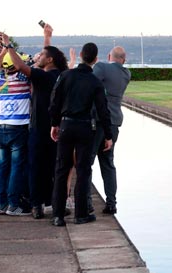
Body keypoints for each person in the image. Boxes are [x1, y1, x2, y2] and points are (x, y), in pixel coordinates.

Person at [4, 23, 68, 219]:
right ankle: (53, 203)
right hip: (58, 128)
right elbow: (45, 57)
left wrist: (9, 46)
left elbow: (22, 66)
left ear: (49, 60)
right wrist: (47, 38)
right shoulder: (62, 76)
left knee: (35, 167)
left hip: (40, 128)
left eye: (41, 55)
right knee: (54, 168)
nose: (37, 57)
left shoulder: (42, 76)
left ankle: (36, 205)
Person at [49, 42, 113, 227]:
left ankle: (58, 215)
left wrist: (54, 124)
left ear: (82, 55)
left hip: (66, 125)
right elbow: (103, 110)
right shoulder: (94, 81)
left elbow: (55, 102)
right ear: (95, 59)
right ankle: (81, 214)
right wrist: (108, 135)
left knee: (62, 169)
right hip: (85, 127)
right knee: (83, 171)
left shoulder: (66, 75)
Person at [0, 33, 32, 216]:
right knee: (16, 167)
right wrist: (8, 46)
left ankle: (1, 204)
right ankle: (14, 204)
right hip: (18, 127)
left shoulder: (1, 81)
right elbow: (25, 67)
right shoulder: (23, 79)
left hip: (3, 127)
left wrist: (3, 52)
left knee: (2, 166)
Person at [88, 46, 131, 214]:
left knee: (88, 162)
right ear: (124, 59)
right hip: (114, 122)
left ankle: (88, 202)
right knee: (108, 163)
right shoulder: (127, 74)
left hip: (98, 121)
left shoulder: (101, 67)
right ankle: (111, 202)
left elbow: (90, 85)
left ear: (108, 56)